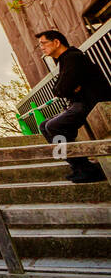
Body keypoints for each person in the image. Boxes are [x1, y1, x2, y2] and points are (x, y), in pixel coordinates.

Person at [35, 30, 110, 183]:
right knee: (44, 126)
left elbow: (62, 89)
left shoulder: (73, 57)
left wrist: (67, 88)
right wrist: (67, 88)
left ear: (56, 42)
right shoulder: (63, 61)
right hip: (79, 103)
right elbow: (58, 90)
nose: (41, 48)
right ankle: (78, 166)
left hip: (90, 102)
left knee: (54, 126)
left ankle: (87, 169)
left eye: (43, 43)